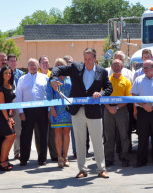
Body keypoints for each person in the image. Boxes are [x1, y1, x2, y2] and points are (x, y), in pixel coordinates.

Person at [50, 48, 112, 179]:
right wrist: (53, 79)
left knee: (97, 141)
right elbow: (57, 69)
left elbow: (109, 88)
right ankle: (82, 169)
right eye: (85, 59)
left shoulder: (102, 71)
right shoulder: (76, 67)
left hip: (94, 111)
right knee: (79, 141)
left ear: (95, 59)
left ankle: (101, 169)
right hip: (77, 110)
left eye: (90, 59)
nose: (87, 61)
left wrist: (100, 93)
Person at [16, 58, 49, 166]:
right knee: (25, 135)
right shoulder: (22, 79)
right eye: (30, 65)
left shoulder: (44, 78)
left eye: (34, 65)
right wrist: (20, 112)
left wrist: (49, 109)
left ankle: (42, 158)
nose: (32, 67)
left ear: (38, 66)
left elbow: (49, 95)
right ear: (27, 67)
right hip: (27, 111)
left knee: (43, 135)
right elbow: (18, 96)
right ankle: (24, 159)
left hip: (42, 110)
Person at [104, 59, 131, 167]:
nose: (116, 67)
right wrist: (109, 108)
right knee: (108, 136)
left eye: (118, 65)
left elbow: (128, 98)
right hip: (107, 109)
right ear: (111, 67)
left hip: (122, 110)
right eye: (114, 65)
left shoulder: (126, 81)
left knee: (124, 136)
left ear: (122, 67)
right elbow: (102, 96)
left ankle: (125, 158)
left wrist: (117, 107)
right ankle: (109, 159)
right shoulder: (106, 80)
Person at [46, 58, 72, 168]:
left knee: (66, 133)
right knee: (57, 133)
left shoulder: (70, 78)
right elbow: (49, 94)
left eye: (61, 64)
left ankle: (66, 157)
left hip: (68, 110)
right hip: (56, 109)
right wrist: (51, 108)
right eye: (57, 65)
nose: (59, 66)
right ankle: (59, 157)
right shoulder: (52, 79)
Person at [35, 55, 57, 162]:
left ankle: (54, 154)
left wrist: (50, 108)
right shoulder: (36, 75)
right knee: (39, 134)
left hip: (52, 108)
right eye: (43, 62)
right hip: (39, 109)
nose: (45, 64)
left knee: (52, 133)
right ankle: (41, 155)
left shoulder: (53, 75)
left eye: (47, 62)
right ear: (39, 64)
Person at [7, 54, 24, 160]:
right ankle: (4, 154)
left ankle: (17, 151)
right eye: (11, 61)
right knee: (7, 131)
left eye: (14, 61)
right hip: (7, 105)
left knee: (18, 130)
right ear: (8, 62)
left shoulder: (21, 74)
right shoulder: (5, 73)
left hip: (18, 104)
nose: (13, 62)